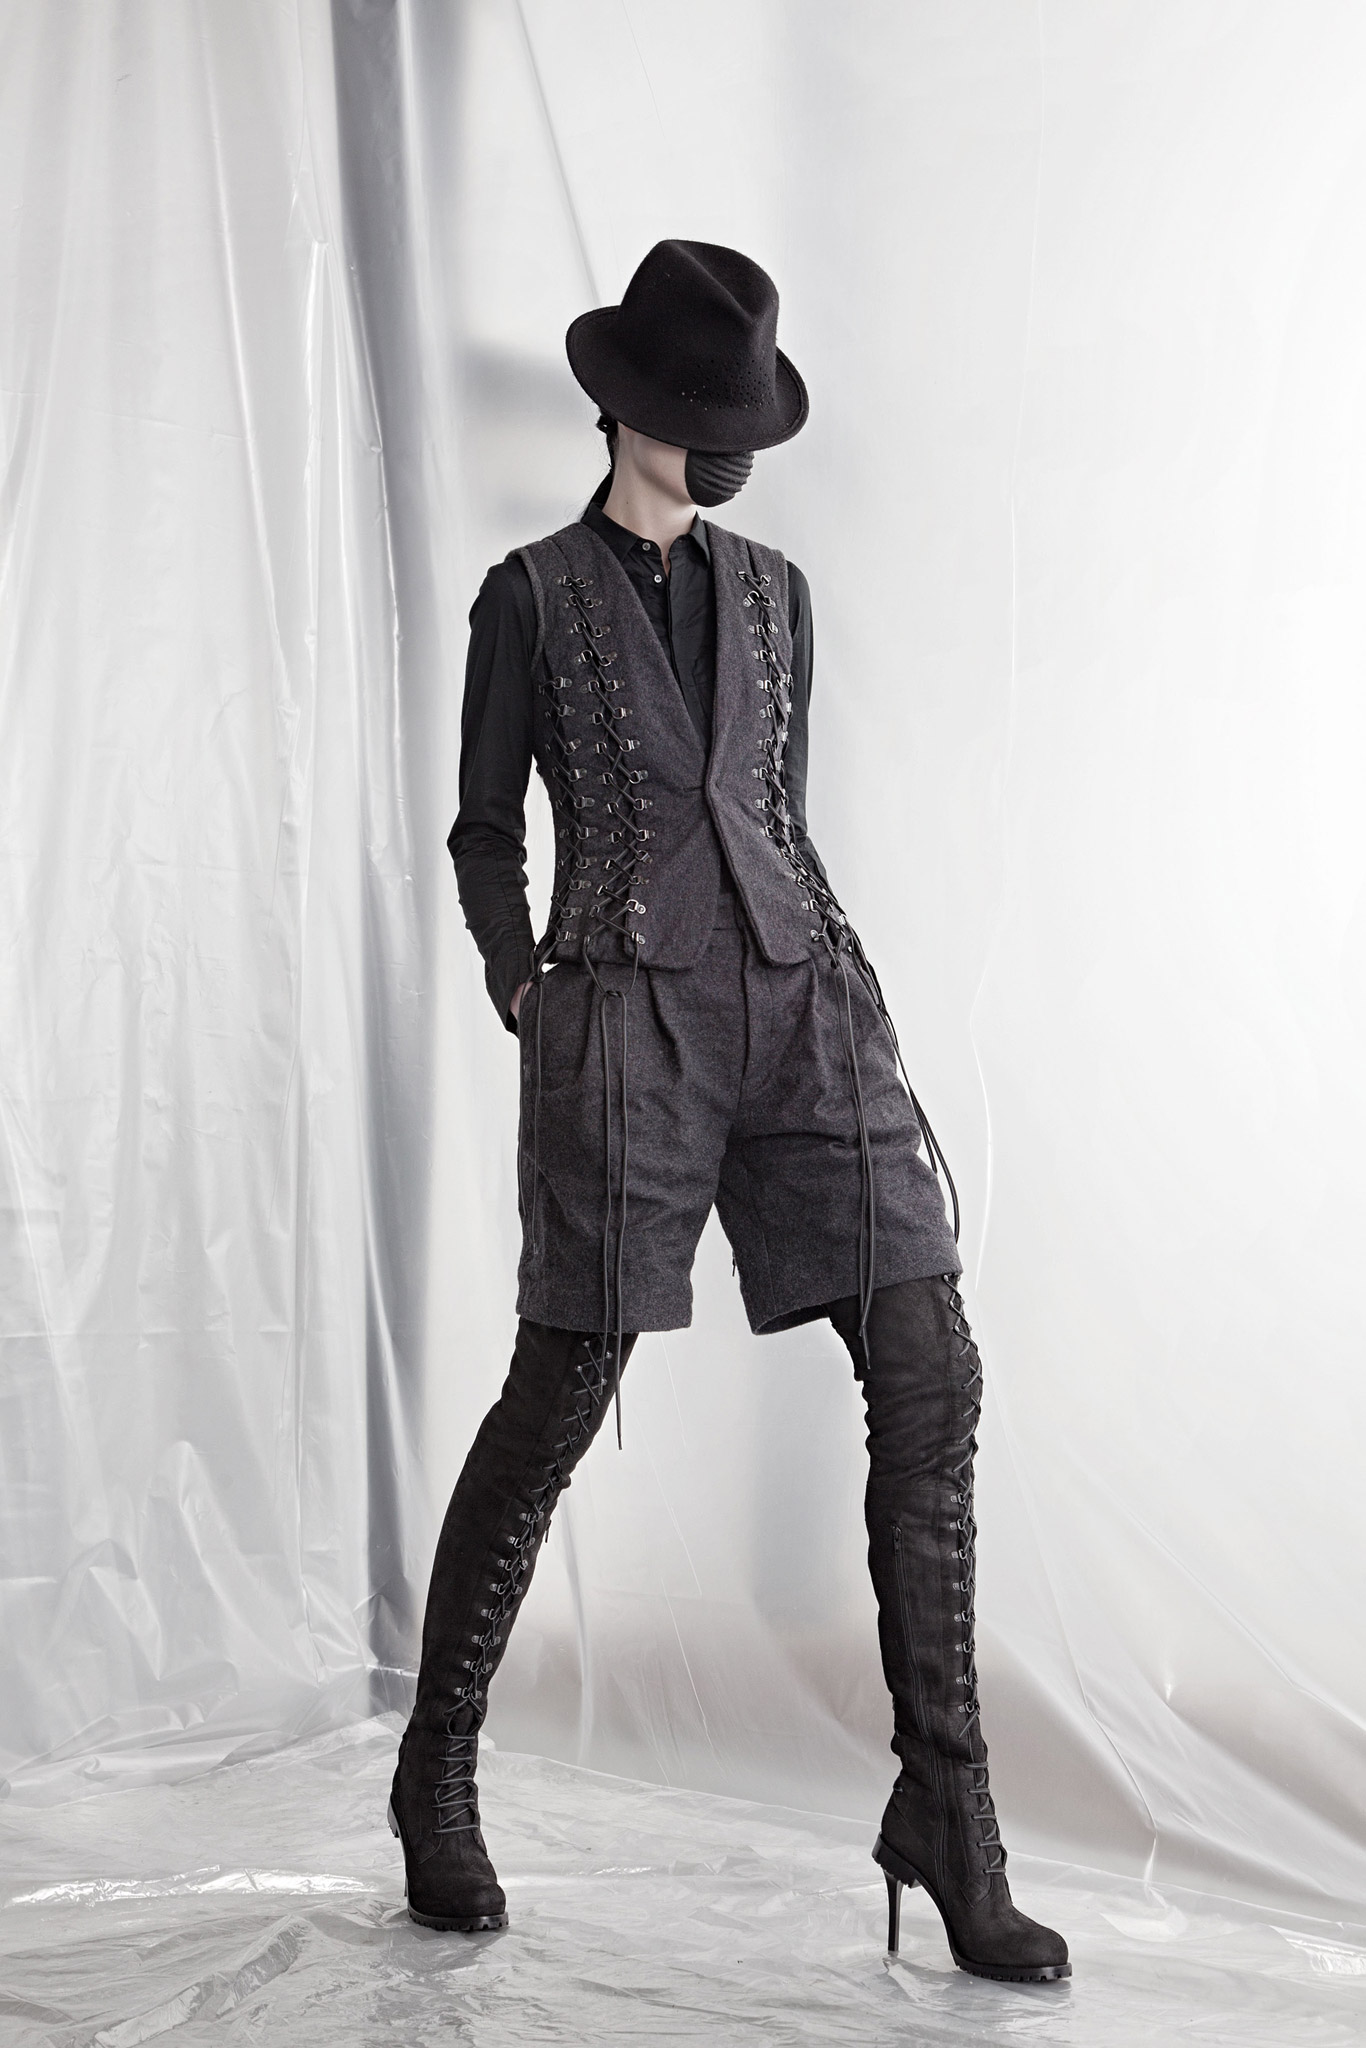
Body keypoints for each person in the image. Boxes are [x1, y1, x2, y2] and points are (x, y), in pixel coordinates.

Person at [387, 240, 1070, 1984]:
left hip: (802, 1008)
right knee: (564, 1386)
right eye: (712, 424)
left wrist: (826, 977)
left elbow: (769, 806)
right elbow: (482, 831)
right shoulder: (529, 598)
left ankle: (948, 1811)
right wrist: (525, 984)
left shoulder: (777, 594)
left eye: (749, 425)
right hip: (623, 1020)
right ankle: (434, 1768)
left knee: (930, 1366)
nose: (736, 457)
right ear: (630, 411)